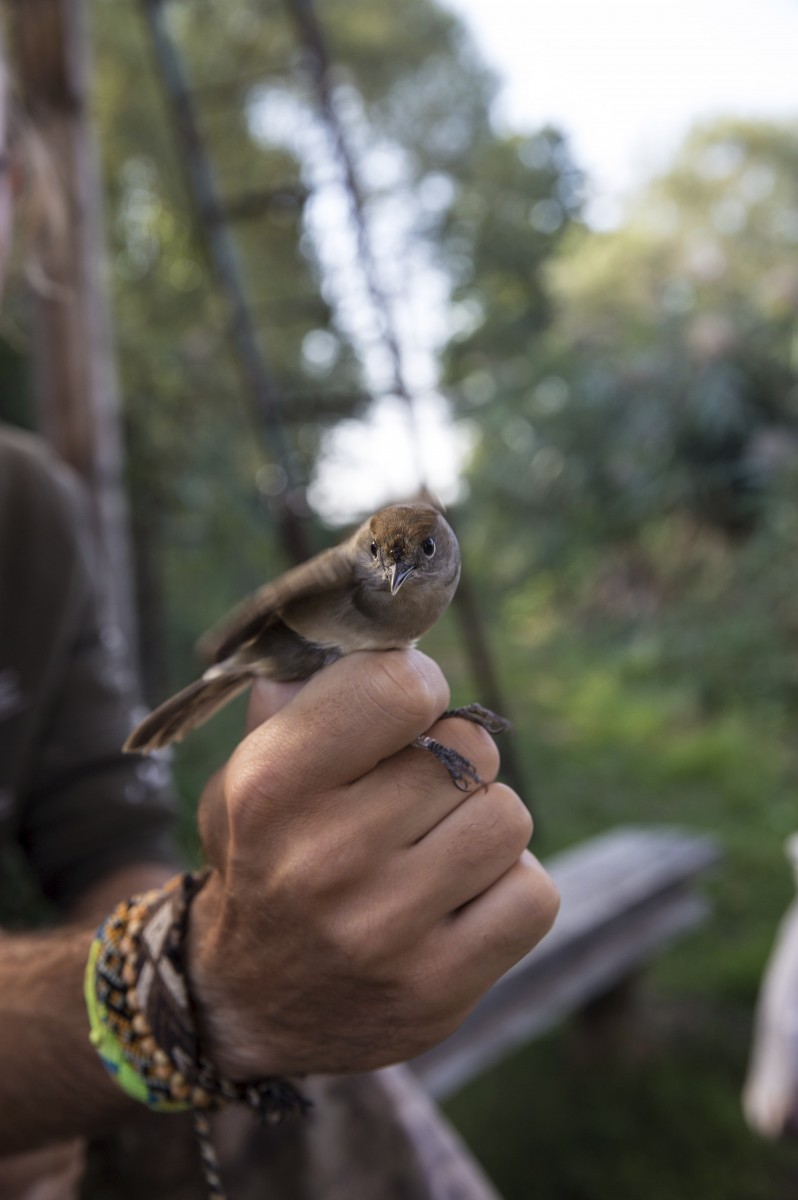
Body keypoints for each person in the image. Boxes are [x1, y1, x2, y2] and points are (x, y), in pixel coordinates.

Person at [0, 42, 559, 1200]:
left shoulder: (24, 515)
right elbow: (164, 980)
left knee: (311, 1040)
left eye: (3, 153)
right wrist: (177, 993)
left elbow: (106, 845)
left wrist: (251, 941)